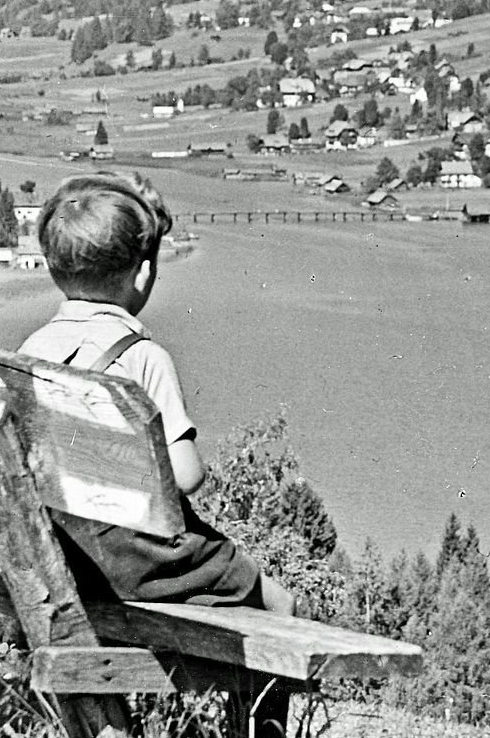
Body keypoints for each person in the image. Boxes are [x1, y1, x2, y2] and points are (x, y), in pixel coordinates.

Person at [17, 171, 293, 612]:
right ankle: (264, 684)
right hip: (139, 561)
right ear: (143, 274)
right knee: (278, 604)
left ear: (53, 268)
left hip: (64, 548)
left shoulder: (31, 349)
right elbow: (186, 477)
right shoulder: (144, 358)